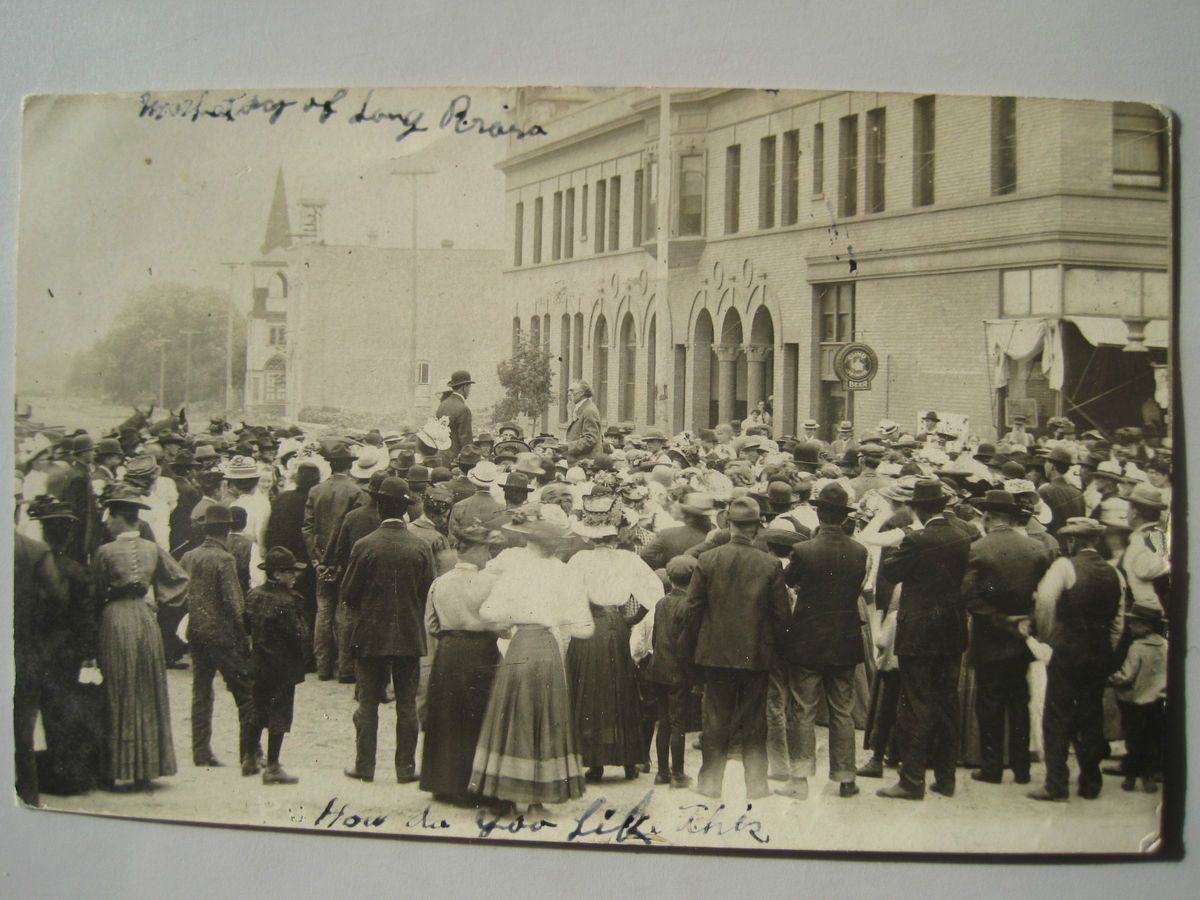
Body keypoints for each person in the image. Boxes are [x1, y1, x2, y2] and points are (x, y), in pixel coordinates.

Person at [469, 505, 593, 817]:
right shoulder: (567, 574)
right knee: (546, 717)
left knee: (514, 716)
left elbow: (487, 612)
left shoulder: (518, 572)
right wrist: (558, 619)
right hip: (549, 650)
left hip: (521, 645)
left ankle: (509, 796)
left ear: (532, 543)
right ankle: (538, 799)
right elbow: (584, 629)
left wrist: (514, 617)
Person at [683, 496, 791, 801]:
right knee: (755, 722)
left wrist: (695, 650)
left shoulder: (708, 560)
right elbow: (782, 615)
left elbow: (693, 610)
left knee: (715, 720)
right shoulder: (770, 564)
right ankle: (756, 786)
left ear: (728, 524)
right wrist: (778, 653)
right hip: (756, 655)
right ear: (757, 527)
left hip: (715, 654)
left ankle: (710, 784)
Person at [877, 478, 971, 801]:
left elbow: (891, 573)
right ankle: (945, 778)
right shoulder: (962, 536)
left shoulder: (916, 540)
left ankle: (911, 779)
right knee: (947, 702)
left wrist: (898, 544)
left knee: (915, 703)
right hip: (951, 628)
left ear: (917, 507)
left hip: (918, 630)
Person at [91, 484, 188, 788]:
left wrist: (109, 596)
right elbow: (180, 579)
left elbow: (93, 593)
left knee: (117, 687)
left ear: (120, 517)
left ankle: (113, 768)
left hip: (115, 619)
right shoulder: (151, 548)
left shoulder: (104, 552)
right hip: (146, 621)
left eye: (110, 517)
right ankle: (145, 767)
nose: (107, 522)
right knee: (145, 687)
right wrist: (158, 601)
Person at [340, 478, 435, 784]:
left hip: (370, 635)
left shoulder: (364, 545)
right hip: (408, 634)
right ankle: (405, 768)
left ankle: (364, 765)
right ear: (405, 509)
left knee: (367, 702)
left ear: (379, 506)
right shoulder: (420, 547)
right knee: (407, 704)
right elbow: (426, 592)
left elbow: (349, 594)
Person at [566, 491, 664, 782]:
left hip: (588, 626)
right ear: (616, 533)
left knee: (588, 689)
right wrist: (632, 620)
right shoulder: (627, 559)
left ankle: (593, 761)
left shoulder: (579, 560)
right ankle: (627, 761)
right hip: (615, 627)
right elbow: (655, 593)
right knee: (620, 688)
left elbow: (567, 596)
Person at [778, 483, 868, 800]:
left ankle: (800, 779)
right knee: (843, 710)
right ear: (844, 517)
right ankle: (846, 777)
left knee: (802, 709)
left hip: (807, 640)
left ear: (819, 512)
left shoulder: (804, 551)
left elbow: (789, 583)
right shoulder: (860, 551)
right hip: (844, 639)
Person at [1028, 517, 1123, 802]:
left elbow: (1045, 602)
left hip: (1071, 646)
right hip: (1100, 647)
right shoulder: (1113, 573)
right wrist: (1110, 650)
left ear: (1071, 541)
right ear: (1095, 541)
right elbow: (1118, 621)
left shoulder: (1064, 566)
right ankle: (1090, 782)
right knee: (1091, 711)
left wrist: (1047, 637)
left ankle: (1056, 784)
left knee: (1057, 713)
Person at [961, 490, 1052, 786]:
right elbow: (1045, 597)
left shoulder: (978, 549)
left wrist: (999, 620)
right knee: (1018, 701)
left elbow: (969, 597)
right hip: (1022, 637)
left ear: (988, 516)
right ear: (1014, 517)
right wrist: (1027, 622)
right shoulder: (1036, 550)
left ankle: (992, 767)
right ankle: (1021, 767)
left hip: (989, 638)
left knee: (990, 703)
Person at [419, 523, 504, 805]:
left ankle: (441, 782)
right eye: (486, 550)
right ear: (475, 550)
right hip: (481, 649)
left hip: (448, 650)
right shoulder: (490, 583)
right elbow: (500, 622)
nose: (489, 556)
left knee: (446, 713)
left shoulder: (439, 583)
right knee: (475, 715)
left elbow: (430, 624)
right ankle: (471, 785)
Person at [180, 504, 260, 774]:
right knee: (246, 694)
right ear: (226, 529)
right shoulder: (225, 560)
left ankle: (200, 752)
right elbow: (235, 604)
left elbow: (180, 595)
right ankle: (248, 756)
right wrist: (245, 636)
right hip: (223, 635)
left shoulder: (189, 557)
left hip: (197, 631)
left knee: (201, 692)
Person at [27, 497, 99, 795]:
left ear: (45, 532)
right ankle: (65, 774)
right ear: (69, 534)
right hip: (66, 651)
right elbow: (85, 617)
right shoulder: (76, 570)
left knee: (35, 712)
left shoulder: (30, 567)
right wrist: (89, 653)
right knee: (65, 712)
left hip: (36, 649)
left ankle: (37, 772)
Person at [13, 507, 69, 806]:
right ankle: (29, 795)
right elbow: (58, 599)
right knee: (22, 729)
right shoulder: (34, 551)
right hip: (24, 650)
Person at [245, 547, 310, 785]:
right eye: (290, 572)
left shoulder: (254, 595)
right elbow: (300, 634)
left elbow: (245, 625)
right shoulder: (290, 601)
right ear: (277, 574)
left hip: (260, 664)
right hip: (283, 667)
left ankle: (249, 758)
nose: (294, 576)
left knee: (259, 710)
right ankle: (272, 765)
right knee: (279, 715)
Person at [303, 442, 364, 682]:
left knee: (324, 611)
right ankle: (346, 667)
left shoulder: (316, 491)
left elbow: (307, 528)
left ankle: (323, 667)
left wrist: (316, 559)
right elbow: (353, 531)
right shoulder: (356, 492)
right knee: (344, 613)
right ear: (349, 465)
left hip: (321, 561)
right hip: (345, 562)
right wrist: (341, 560)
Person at [643, 555, 699, 789]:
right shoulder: (690, 606)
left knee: (663, 721)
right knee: (678, 723)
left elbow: (656, 638)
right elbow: (687, 645)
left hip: (658, 669)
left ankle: (662, 772)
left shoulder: (661, 603)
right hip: (678, 671)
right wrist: (693, 675)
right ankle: (678, 774)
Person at [1107, 600, 1167, 793]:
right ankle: (1148, 777)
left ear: (1147, 626)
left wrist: (1110, 679)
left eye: (1135, 623)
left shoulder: (1137, 648)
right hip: (1156, 701)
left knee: (1134, 740)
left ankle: (1131, 777)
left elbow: (1127, 675)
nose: (1130, 626)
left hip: (1135, 701)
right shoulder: (1165, 645)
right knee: (1150, 740)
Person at [1038, 446, 1086, 534]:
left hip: (1053, 542)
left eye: (1046, 462)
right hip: (1073, 543)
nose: (1044, 466)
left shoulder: (1045, 491)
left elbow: (1040, 524)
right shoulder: (1078, 493)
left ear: (1052, 466)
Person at [436, 370, 476, 458]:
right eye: (469, 387)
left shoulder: (441, 406)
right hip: (456, 460)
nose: (469, 390)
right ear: (464, 387)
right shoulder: (463, 409)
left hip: (440, 457)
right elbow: (466, 443)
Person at [565, 379, 604, 463]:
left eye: (571, 391)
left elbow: (590, 438)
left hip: (585, 462)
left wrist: (568, 446)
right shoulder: (580, 408)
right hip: (578, 460)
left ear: (581, 393)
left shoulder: (589, 410)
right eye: (568, 391)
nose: (568, 394)